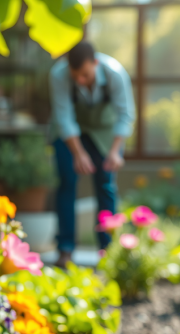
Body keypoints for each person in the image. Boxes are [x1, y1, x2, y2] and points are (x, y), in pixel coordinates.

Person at [48, 40, 135, 268]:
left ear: (96, 63)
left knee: (105, 185)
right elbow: (64, 117)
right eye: (76, 75)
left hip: (104, 133)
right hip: (68, 133)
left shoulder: (115, 73)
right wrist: (78, 153)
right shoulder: (58, 75)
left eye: (85, 74)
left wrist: (116, 152)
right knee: (67, 182)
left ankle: (107, 250)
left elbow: (125, 115)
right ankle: (65, 248)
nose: (80, 80)